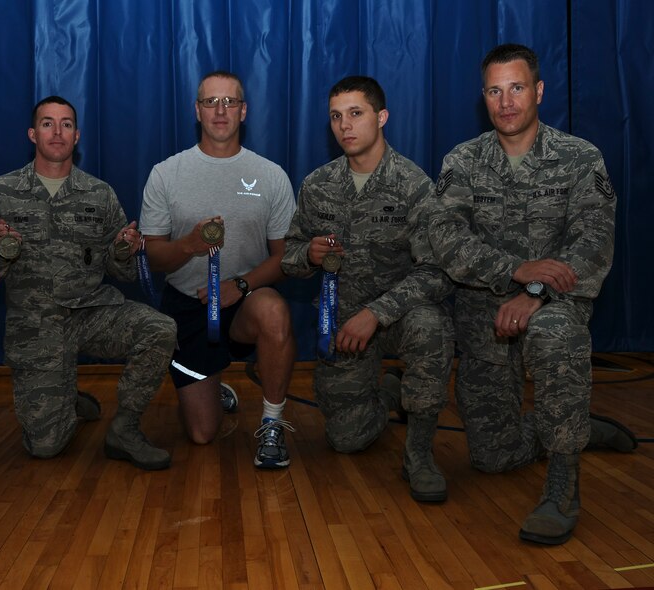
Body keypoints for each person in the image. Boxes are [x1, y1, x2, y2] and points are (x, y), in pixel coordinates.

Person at [428, 44, 637, 544]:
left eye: (517, 88)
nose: (506, 102)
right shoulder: (463, 161)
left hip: (556, 305)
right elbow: (445, 239)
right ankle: (566, 426)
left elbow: (593, 244)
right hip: (485, 318)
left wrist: (536, 291)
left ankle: (563, 487)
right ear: (484, 98)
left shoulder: (580, 158)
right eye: (495, 91)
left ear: (538, 90)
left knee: (553, 334)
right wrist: (515, 270)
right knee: (492, 460)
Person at [0, 96, 177, 471]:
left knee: (160, 329)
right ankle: (64, 395)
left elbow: (124, 272)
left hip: (91, 313)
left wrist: (123, 251)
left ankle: (125, 429)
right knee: (45, 447)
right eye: (48, 124)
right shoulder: (2, 192)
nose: (57, 132)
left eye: (66, 124)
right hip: (36, 327)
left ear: (77, 135)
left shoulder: (99, 194)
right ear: (33, 134)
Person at [282, 76, 454, 501]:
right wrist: (309, 256)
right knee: (346, 439)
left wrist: (376, 313)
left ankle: (419, 453)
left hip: (396, 317)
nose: (345, 126)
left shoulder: (414, 186)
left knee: (431, 327)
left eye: (355, 114)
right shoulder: (317, 184)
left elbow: (436, 272)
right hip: (342, 322)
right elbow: (289, 254)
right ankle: (390, 392)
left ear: (381, 117)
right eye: (336, 117)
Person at [139, 71, 297, 469]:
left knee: (274, 309)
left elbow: (285, 258)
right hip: (189, 306)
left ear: (243, 111)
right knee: (202, 435)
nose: (220, 110)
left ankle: (273, 424)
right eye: (211, 102)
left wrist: (240, 285)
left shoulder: (271, 176)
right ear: (198, 111)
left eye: (229, 102)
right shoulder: (166, 174)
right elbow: (153, 256)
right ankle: (211, 385)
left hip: (246, 302)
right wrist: (189, 246)